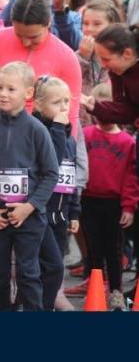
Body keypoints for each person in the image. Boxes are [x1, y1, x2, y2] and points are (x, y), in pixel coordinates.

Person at [0, 62, 59, 311]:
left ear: (28, 94)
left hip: (28, 217)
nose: (2, 94)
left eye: (11, 89)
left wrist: (29, 207)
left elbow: (51, 174)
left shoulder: (37, 130)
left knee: (28, 273)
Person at [0, 0, 82, 136]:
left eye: (33, 37)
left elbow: (71, 111)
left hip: (39, 139)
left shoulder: (67, 58)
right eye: (19, 35)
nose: (26, 42)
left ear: (48, 24)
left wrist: (68, 148)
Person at [82, 82, 137, 310]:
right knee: (93, 249)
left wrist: (128, 207)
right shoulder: (85, 135)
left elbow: (131, 179)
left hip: (113, 203)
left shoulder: (127, 142)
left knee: (114, 250)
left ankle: (115, 291)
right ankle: (95, 287)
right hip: (88, 200)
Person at [31, 76, 81, 311]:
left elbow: (70, 177)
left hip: (60, 215)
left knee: (55, 266)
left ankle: (46, 307)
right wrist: (59, 127)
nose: (63, 108)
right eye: (56, 103)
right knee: (50, 266)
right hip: (40, 213)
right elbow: (53, 159)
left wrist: (74, 212)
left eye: (66, 102)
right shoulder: (39, 132)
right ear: (39, 105)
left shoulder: (69, 138)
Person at [75, 0, 122, 124]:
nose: (89, 29)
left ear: (112, 26)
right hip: (85, 127)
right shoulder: (78, 55)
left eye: (97, 24)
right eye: (85, 23)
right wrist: (83, 58)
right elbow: (75, 83)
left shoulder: (122, 56)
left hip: (113, 128)